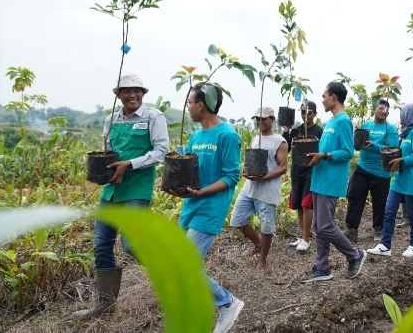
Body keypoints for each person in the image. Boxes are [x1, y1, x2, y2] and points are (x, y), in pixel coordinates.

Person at [73, 73, 169, 318]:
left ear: (143, 94)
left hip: (137, 189)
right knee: (101, 245)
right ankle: (104, 305)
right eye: (126, 91)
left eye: (137, 90)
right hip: (111, 191)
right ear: (118, 95)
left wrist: (130, 164)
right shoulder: (111, 120)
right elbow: (108, 152)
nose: (132, 95)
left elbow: (161, 151)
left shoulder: (153, 117)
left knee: (131, 243)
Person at [166, 83, 244, 333]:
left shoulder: (227, 135)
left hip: (211, 208)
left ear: (201, 105)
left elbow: (232, 176)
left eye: (190, 102)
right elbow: (189, 172)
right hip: (191, 207)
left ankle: (227, 302)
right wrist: (175, 186)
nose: (187, 107)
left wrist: (202, 192)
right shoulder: (195, 137)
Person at [300, 81, 367, 283]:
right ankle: (322, 267)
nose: (322, 100)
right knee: (319, 227)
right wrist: (315, 156)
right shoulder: (330, 122)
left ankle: (355, 255)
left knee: (325, 226)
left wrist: (325, 155)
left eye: (324, 96)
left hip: (330, 181)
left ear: (333, 97)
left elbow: (348, 151)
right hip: (319, 179)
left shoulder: (343, 121)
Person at [229, 107, 288, 272]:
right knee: (237, 220)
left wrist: (264, 176)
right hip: (250, 188)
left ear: (272, 119)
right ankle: (257, 244)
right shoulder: (255, 139)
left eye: (263, 119)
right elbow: (252, 162)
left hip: (267, 191)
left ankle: (262, 260)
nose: (260, 122)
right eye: (257, 119)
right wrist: (245, 169)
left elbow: (283, 167)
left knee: (266, 228)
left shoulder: (280, 142)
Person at [367, 103, 413, 258]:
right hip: (399, 179)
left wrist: (402, 160)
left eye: (403, 114)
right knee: (389, 212)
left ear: (409, 115)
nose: (400, 118)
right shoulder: (405, 134)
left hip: (412, 179)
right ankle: (385, 245)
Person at [344, 99, 398, 243]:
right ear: (375, 109)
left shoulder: (390, 129)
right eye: (380, 108)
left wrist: (373, 145)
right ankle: (352, 230)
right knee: (355, 196)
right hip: (362, 167)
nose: (383, 111)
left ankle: (378, 229)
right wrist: (356, 141)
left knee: (380, 202)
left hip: (381, 171)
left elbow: (392, 148)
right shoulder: (365, 126)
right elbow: (357, 148)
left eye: (386, 109)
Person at [282, 101, 323, 252]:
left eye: (309, 113)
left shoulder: (319, 131)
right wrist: (286, 130)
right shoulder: (296, 131)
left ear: (315, 114)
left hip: (310, 172)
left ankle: (307, 239)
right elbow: (285, 148)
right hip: (296, 171)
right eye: (303, 113)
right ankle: (302, 235)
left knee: (307, 204)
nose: (306, 116)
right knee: (299, 205)